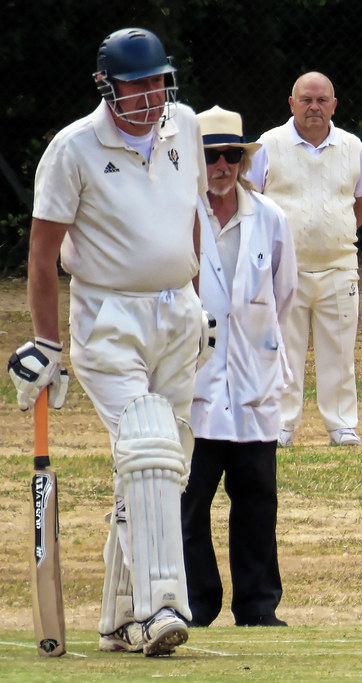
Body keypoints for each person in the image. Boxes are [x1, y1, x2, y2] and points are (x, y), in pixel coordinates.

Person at [7, 28, 214, 656]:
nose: (152, 95)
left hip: (177, 315)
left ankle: (119, 618)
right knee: (148, 442)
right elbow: (42, 254)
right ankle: (161, 610)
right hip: (107, 320)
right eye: (139, 84)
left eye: (159, 81)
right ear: (108, 87)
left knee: (161, 467)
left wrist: (197, 299)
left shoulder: (185, 127)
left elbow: (191, 220)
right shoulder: (73, 148)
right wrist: (47, 344)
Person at [181, 106, 296, 628]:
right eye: (211, 156)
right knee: (190, 501)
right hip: (193, 382)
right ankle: (195, 604)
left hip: (254, 381)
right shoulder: (180, 216)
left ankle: (257, 606)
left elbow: (284, 296)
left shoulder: (270, 218)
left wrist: (263, 348)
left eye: (232, 155)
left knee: (256, 499)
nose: (222, 165)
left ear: (244, 161)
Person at [248, 71, 362, 448]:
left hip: (339, 266)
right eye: (306, 100)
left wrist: (334, 232)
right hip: (284, 270)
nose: (314, 108)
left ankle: (341, 426)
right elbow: (250, 201)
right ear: (291, 104)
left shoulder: (351, 146)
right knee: (283, 352)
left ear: (334, 105)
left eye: (322, 101)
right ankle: (281, 426)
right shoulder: (269, 145)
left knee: (339, 351)